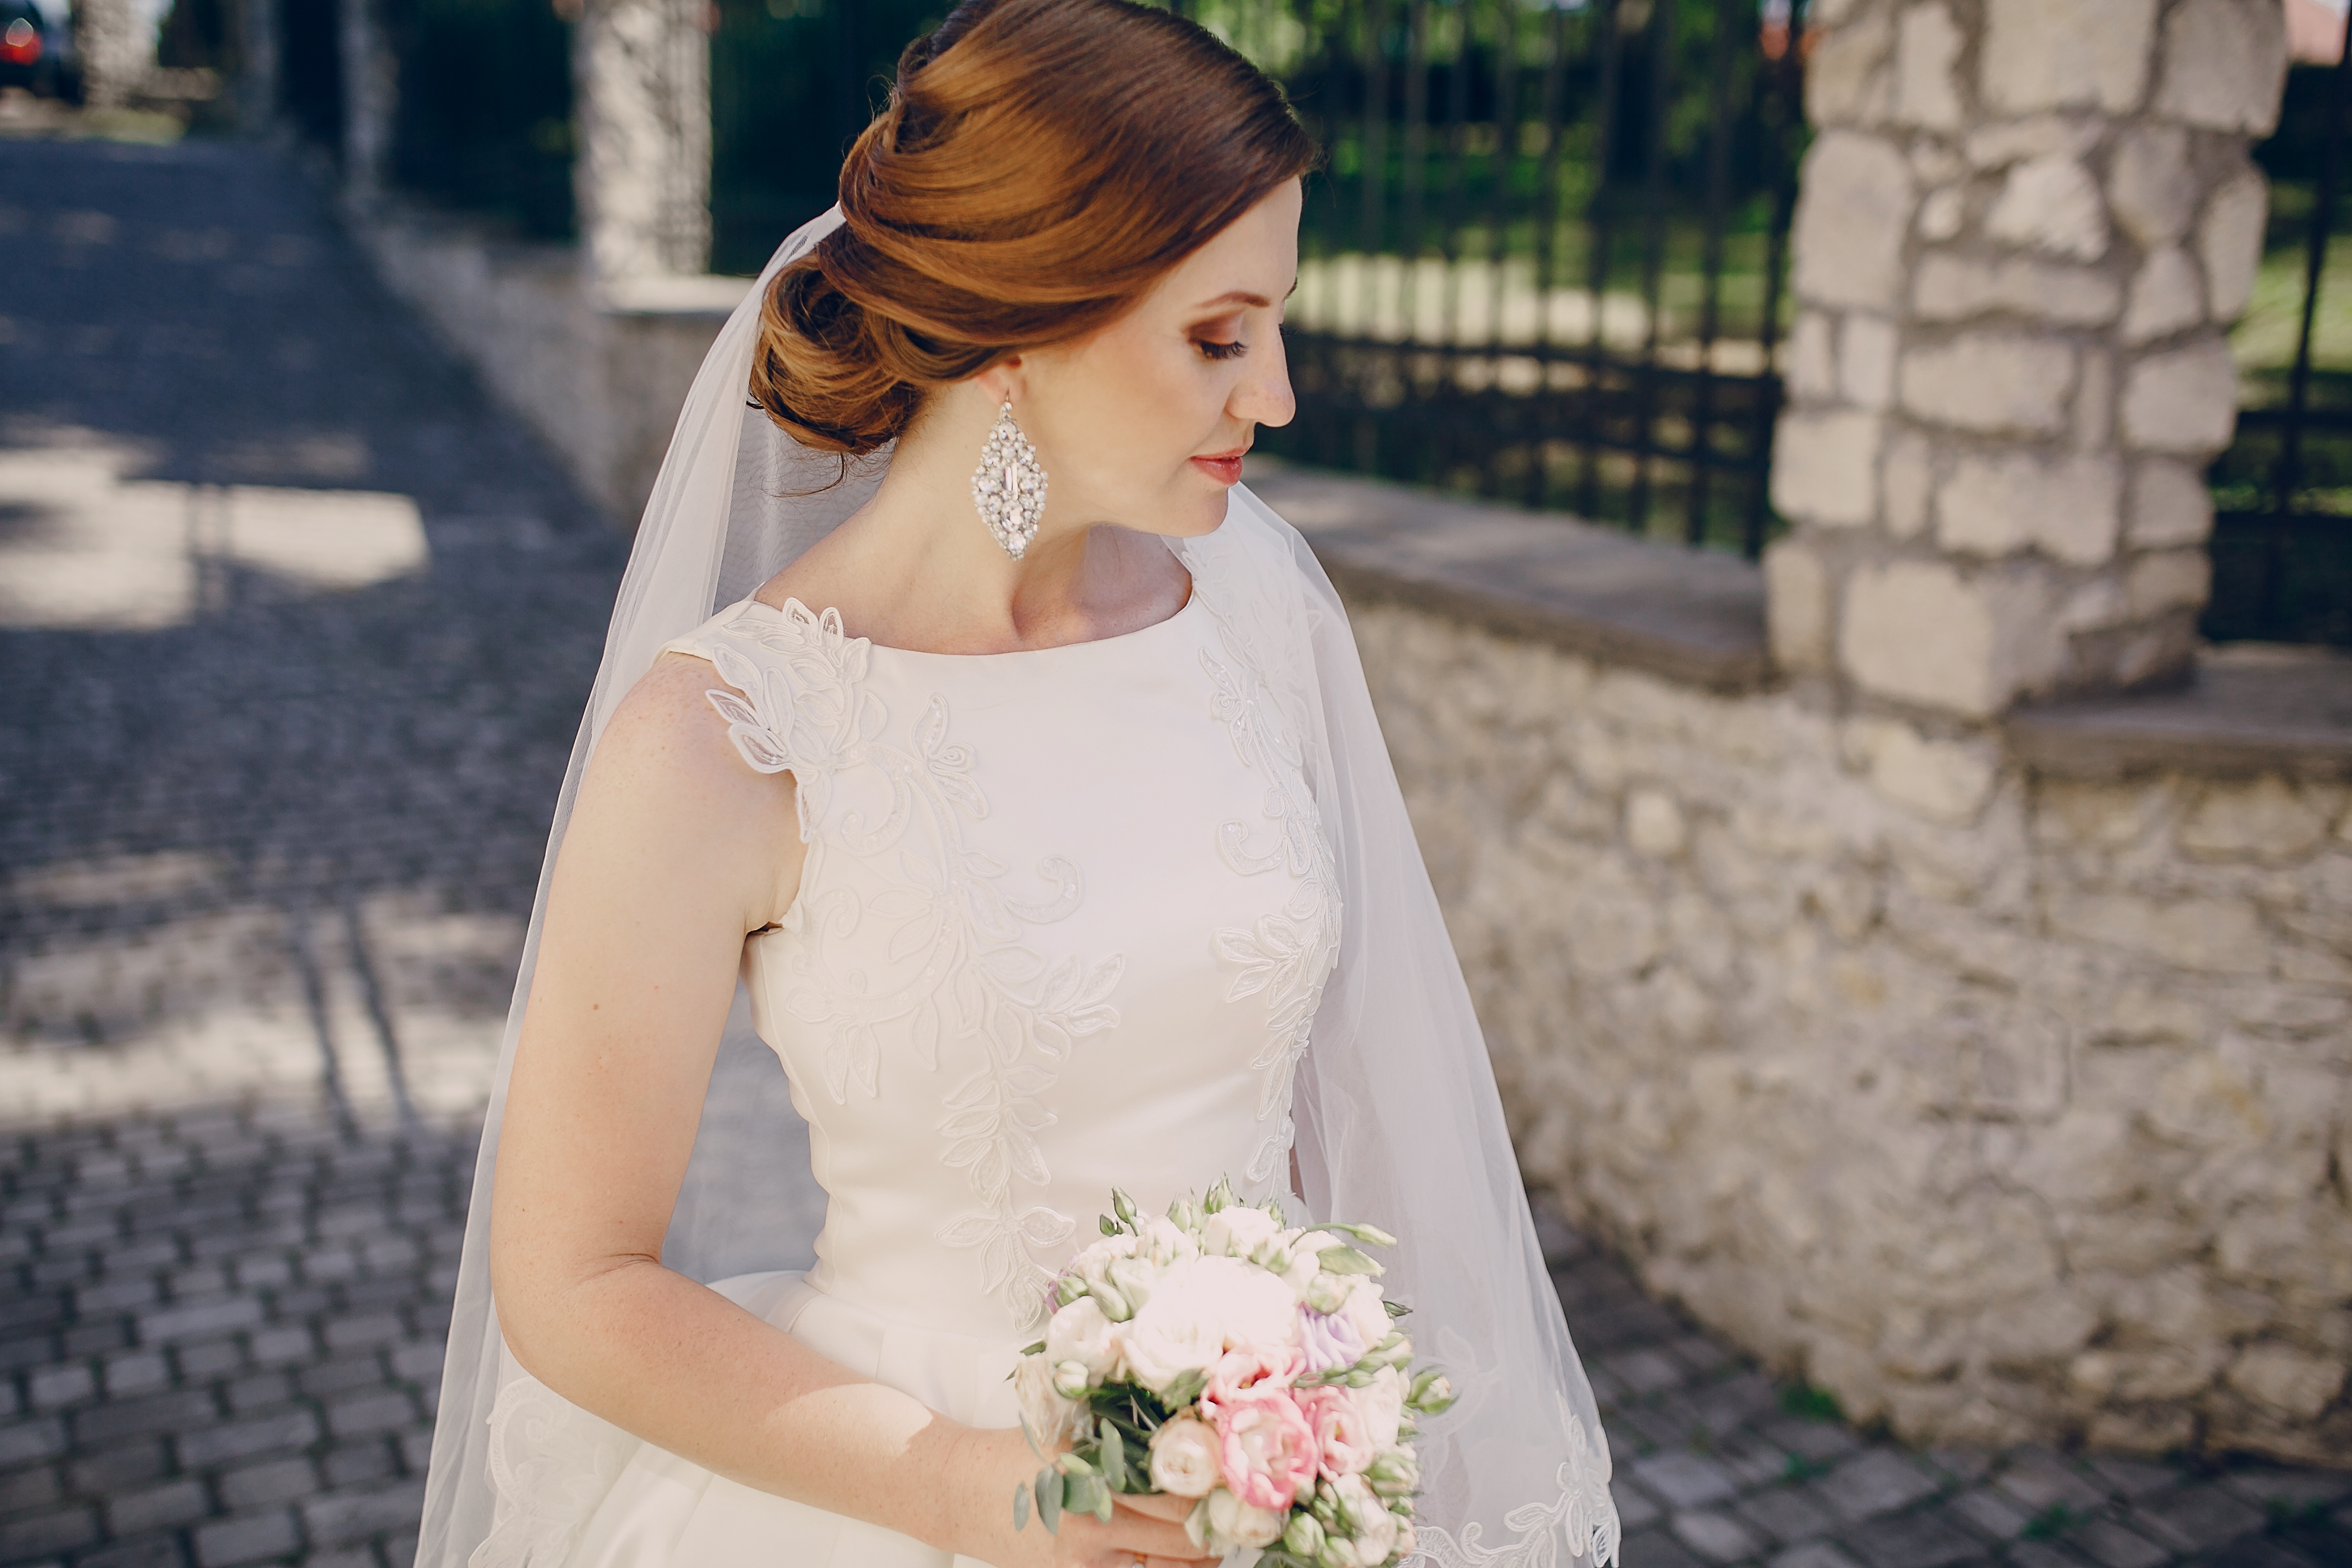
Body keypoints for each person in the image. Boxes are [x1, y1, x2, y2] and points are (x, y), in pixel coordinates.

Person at [415, 4, 1621, 1566]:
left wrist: (1318, 1434)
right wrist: (963, 1490)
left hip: (1264, 1491)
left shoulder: (1256, 608)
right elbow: (575, 1283)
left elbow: (1353, 1096)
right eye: (1218, 335)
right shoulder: (730, 735)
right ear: (1015, 327)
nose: (1277, 395)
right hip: (900, 1495)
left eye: (1277, 323)